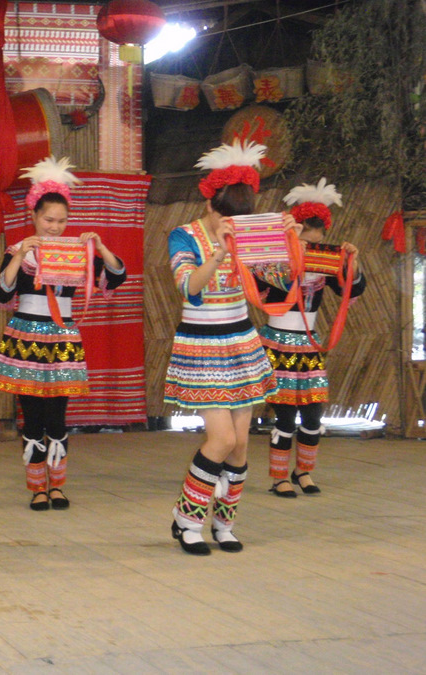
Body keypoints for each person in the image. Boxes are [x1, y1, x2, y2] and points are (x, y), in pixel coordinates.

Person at [165, 139, 300, 555]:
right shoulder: (182, 237)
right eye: (227, 216)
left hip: (242, 343)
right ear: (210, 205)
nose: (233, 224)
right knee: (221, 440)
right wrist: (221, 253)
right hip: (202, 348)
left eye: (239, 219)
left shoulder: (251, 233)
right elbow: (189, 288)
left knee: (241, 445)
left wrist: (289, 246)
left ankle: (224, 525)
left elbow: (275, 291)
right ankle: (186, 521)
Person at [0, 157, 126, 511]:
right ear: (33, 215)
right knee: (32, 416)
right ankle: (37, 487)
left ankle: (58, 485)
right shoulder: (18, 251)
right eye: (48, 219)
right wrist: (21, 255)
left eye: (61, 220)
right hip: (25, 338)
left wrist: (99, 246)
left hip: (63, 338)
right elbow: (1, 292)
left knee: (57, 415)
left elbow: (115, 276)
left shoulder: (78, 251)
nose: (54, 226)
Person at [260, 179, 366, 497]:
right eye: (307, 237)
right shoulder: (274, 258)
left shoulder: (324, 261)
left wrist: (351, 263)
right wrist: (291, 256)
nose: (314, 243)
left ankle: (303, 472)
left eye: (319, 239)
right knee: (285, 414)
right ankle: (279, 477)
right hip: (278, 342)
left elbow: (353, 289)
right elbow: (264, 288)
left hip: (309, 345)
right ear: (295, 230)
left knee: (313, 413)